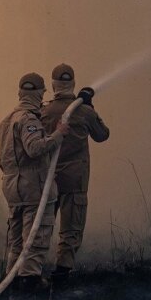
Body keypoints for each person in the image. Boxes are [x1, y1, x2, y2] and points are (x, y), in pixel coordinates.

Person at [0, 72, 69, 300]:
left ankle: (11, 295)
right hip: (34, 190)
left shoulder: (6, 120)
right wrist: (58, 135)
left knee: (16, 242)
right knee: (35, 239)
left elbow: (3, 159)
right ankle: (29, 297)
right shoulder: (28, 119)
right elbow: (35, 148)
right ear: (39, 94)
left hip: (13, 190)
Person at [41, 63, 110, 286]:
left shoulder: (43, 111)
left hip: (48, 181)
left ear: (53, 85)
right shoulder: (84, 112)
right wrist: (89, 106)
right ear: (73, 83)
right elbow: (102, 135)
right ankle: (61, 275)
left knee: (41, 225)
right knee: (71, 228)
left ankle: (31, 270)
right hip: (75, 179)